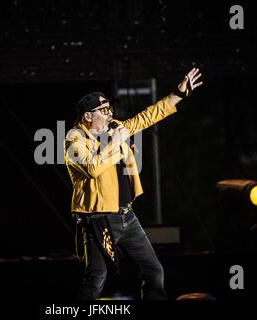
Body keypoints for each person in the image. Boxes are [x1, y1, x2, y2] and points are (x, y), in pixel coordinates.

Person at [64, 68, 203, 300]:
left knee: (153, 271)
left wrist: (178, 94)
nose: (110, 114)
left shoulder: (115, 128)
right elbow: (92, 169)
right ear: (88, 116)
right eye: (103, 111)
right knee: (97, 277)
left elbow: (146, 117)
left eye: (110, 109)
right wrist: (115, 143)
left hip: (127, 217)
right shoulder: (73, 139)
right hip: (99, 220)